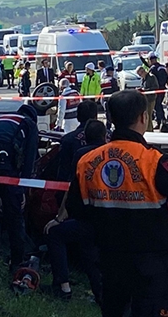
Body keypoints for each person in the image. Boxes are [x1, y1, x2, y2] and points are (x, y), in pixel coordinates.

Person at [65, 90, 168, 317]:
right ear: (143, 117)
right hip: (152, 265)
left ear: (110, 118)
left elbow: (75, 210)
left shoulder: (87, 162)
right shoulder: (153, 160)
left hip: (110, 263)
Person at [44, 119, 106, 303]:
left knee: (55, 233)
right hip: (110, 218)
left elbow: (73, 188)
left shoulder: (82, 155)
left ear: (85, 138)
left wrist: (59, 217)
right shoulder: (113, 153)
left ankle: (63, 286)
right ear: (104, 136)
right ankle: (101, 296)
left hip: (86, 217)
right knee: (90, 256)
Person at [0, 104, 40, 269]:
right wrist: (23, 187)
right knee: (14, 215)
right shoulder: (29, 124)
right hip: (5, 163)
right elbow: (30, 158)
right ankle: (17, 262)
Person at [53, 101, 100, 183]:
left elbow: (64, 169)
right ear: (96, 116)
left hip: (76, 186)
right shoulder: (110, 137)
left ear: (78, 117)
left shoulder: (68, 139)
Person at [146, 53, 168, 130]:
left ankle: (160, 121)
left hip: (156, 90)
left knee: (157, 106)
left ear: (151, 60)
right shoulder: (162, 67)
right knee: (159, 105)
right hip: (163, 89)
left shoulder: (153, 69)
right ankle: (162, 120)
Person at [138, 65, 159, 132]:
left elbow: (156, 87)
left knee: (148, 115)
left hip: (151, 99)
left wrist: (145, 90)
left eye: (140, 74)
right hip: (145, 99)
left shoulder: (151, 77)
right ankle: (148, 129)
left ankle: (150, 130)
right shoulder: (143, 79)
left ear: (143, 71)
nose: (140, 76)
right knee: (146, 115)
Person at [100, 66, 119, 130]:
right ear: (110, 72)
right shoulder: (112, 80)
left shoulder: (103, 81)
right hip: (112, 100)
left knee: (107, 115)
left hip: (105, 100)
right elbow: (116, 90)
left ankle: (107, 129)